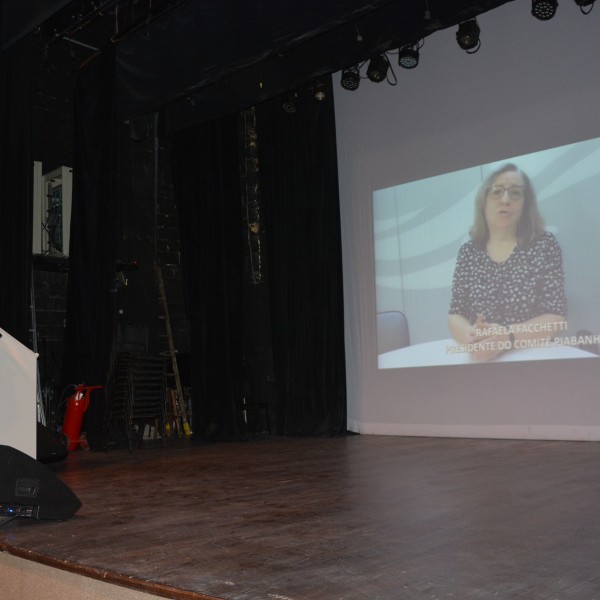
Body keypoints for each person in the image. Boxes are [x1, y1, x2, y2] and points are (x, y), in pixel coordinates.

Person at [448, 163, 567, 361]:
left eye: (515, 193)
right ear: (483, 201)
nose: (505, 200)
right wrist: (472, 335)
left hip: (532, 360)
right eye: (496, 192)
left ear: (525, 203)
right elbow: (455, 314)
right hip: (482, 360)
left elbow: (556, 317)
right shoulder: (468, 252)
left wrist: (507, 337)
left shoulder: (544, 245)